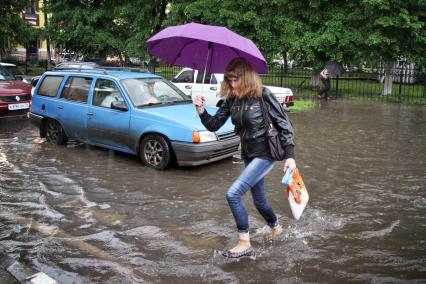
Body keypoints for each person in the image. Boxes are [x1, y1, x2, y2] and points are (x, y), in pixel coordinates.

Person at [193, 57, 297, 258]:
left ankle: (244, 242)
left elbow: (285, 125)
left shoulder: (263, 95)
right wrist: (201, 110)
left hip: (266, 153)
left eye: (236, 79)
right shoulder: (232, 99)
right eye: (229, 80)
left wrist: (290, 157)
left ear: (247, 77)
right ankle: (276, 228)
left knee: (233, 194)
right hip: (248, 153)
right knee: (259, 201)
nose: (232, 84)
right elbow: (214, 124)